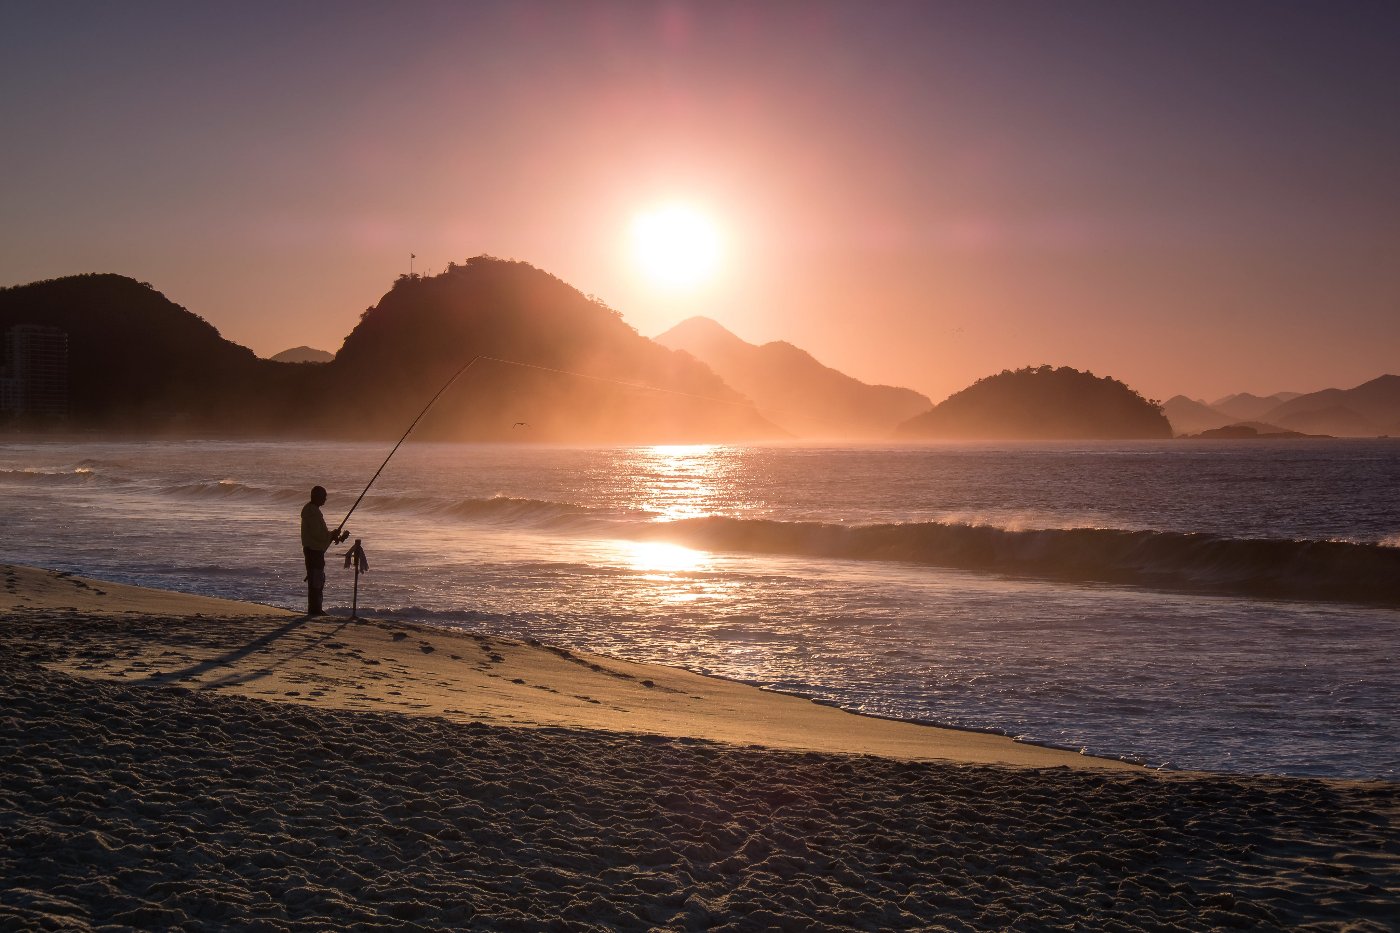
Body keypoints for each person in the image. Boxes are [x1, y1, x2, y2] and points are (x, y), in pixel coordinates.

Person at [301, 486, 348, 617]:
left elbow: (320, 535)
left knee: (317, 579)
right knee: (316, 580)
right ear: (316, 497)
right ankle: (315, 610)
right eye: (323, 496)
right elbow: (318, 535)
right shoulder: (312, 512)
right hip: (313, 551)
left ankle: (316, 608)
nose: (325, 499)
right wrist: (331, 534)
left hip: (315, 550)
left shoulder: (313, 510)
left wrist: (332, 535)